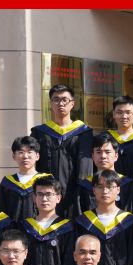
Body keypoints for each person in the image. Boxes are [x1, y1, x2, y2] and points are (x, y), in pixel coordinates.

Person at [31, 84, 93, 218]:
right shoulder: (39, 133)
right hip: (46, 195)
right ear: (51, 104)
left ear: (72, 104)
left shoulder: (84, 133)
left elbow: (86, 168)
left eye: (65, 100)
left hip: (75, 197)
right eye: (56, 99)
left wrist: (85, 196)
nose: (60, 103)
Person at [21, 174, 76, 265]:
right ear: (34, 197)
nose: (44, 199)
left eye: (49, 194)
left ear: (58, 198)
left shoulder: (67, 228)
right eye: (40, 194)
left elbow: (69, 263)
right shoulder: (25, 227)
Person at [75, 132, 133, 214]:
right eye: (98, 152)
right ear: (92, 156)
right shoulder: (84, 186)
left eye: (107, 152)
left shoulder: (128, 185)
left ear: (116, 156)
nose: (103, 156)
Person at [0, 136, 51, 223]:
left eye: (30, 152)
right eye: (20, 152)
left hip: (40, 228)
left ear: (37, 156)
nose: (25, 156)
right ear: (14, 156)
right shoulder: (7, 182)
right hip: (12, 229)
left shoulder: (47, 180)